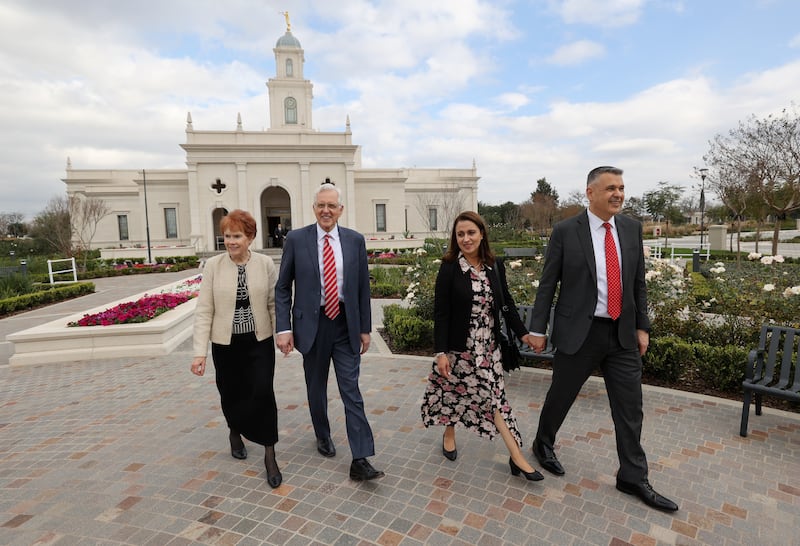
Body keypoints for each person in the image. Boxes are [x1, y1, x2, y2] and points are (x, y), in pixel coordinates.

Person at [528, 166, 679, 511]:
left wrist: (643, 326)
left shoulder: (630, 228)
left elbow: (638, 282)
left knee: (630, 408)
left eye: (622, 188)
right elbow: (548, 283)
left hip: (622, 333)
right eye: (611, 188)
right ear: (590, 193)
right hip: (580, 332)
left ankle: (632, 476)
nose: (618, 194)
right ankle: (543, 443)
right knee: (561, 396)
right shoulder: (566, 231)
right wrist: (537, 329)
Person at [421, 211, 544, 482]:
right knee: (454, 391)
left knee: (493, 399)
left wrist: (524, 335)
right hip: (459, 349)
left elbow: (507, 305)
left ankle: (516, 455)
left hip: (488, 349)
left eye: (471, 233)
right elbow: (441, 312)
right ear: (455, 238)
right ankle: (454, 434)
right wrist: (440, 352)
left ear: (482, 234)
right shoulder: (450, 266)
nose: (466, 238)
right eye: (461, 234)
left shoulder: (494, 265)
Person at [275, 183, 384, 481]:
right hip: (312, 326)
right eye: (321, 205)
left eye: (331, 206)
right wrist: (283, 328)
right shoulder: (296, 240)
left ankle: (360, 458)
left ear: (340, 210)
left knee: (352, 390)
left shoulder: (354, 241)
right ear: (314, 208)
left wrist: (364, 328)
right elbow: (283, 286)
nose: (326, 210)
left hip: (345, 325)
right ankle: (322, 434)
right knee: (316, 387)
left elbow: (362, 287)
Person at [190, 210, 282, 489]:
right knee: (231, 392)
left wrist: (283, 335)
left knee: (263, 392)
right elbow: (204, 310)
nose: (230, 241)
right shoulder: (213, 266)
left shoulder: (265, 264)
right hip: (226, 344)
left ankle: (269, 453)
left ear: (250, 237)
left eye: (237, 236)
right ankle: (234, 431)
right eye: (227, 236)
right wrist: (199, 353)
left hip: (259, 341)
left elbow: (273, 304)